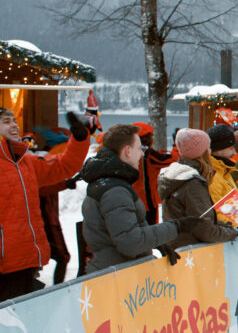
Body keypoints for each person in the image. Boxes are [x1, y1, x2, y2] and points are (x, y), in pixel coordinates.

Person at [80, 124, 200, 273]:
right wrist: (176, 227)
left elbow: (122, 231)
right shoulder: (114, 191)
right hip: (117, 278)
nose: (142, 154)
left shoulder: (111, 182)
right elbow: (130, 242)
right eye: (139, 149)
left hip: (120, 272)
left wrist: (156, 242)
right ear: (127, 151)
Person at [0, 109, 90, 300]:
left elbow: (63, 165)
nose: (14, 125)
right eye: (6, 121)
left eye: (14, 121)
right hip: (4, 266)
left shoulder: (26, 162)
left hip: (26, 261)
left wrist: (79, 139)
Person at [157, 128, 238, 250]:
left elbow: (206, 219)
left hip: (185, 248)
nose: (210, 151)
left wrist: (230, 227)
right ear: (202, 153)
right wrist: (234, 232)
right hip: (192, 252)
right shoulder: (191, 183)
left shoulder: (184, 177)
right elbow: (204, 229)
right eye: (208, 148)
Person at [132, 121, 178, 224]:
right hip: (147, 202)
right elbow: (172, 159)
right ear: (148, 139)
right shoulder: (149, 156)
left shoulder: (129, 153)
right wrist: (176, 145)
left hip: (132, 199)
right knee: (150, 231)